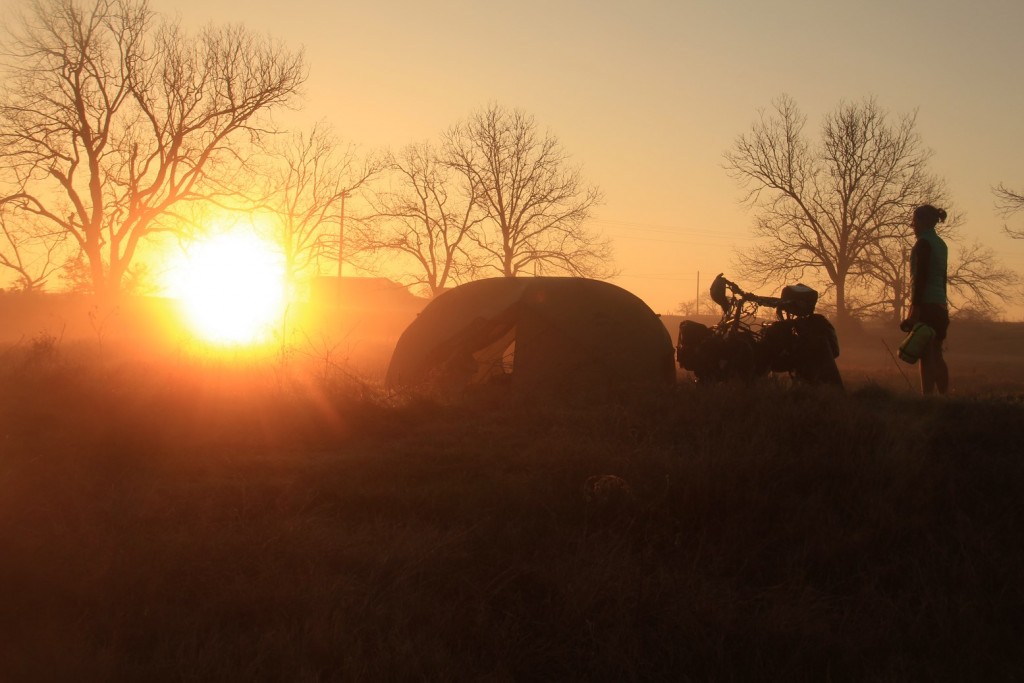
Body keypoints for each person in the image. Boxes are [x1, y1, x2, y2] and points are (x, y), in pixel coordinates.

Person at [902, 204, 949, 394]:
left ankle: (927, 399)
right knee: (937, 352)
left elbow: (920, 278)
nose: (912, 226)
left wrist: (914, 308)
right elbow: (943, 277)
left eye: (914, 222)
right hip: (940, 305)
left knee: (925, 352)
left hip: (926, 305)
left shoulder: (922, 244)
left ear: (921, 222)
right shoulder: (941, 244)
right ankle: (945, 397)